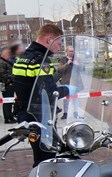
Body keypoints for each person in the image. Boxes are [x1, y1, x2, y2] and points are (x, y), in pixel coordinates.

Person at [12, 24, 69, 166]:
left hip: (25, 114)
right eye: (59, 43)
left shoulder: (22, 57)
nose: (59, 47)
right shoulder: (41, 61)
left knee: (39, 156)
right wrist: (68, 90)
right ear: (49, 40)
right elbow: (50, 93)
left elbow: (28, 84)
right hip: (41, 116)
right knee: (46, 159)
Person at [0, 45, 15, 123]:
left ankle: (10, 116)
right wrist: (9, 80)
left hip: (9, 84)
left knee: (10, 101)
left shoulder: (6, 62)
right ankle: (7, 118)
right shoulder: (2, 62)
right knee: (7, 102)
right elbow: (2, 74)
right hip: (7, 84)